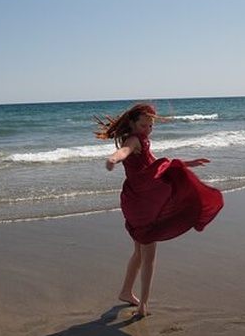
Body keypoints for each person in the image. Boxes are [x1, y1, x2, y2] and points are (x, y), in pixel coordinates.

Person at [95, 103, 223, 317]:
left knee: (139, 252)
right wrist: (113, 159)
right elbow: (124, 151)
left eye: (151, 126)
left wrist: (186, 164)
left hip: (137, 200)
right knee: (149, 256)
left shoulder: (143, 140)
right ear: (133, 123)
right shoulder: (134, 140)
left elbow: (157, 164)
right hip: (142, 203)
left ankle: (126, 291)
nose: (147, 129)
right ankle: (144, 305)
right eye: (144, 125)